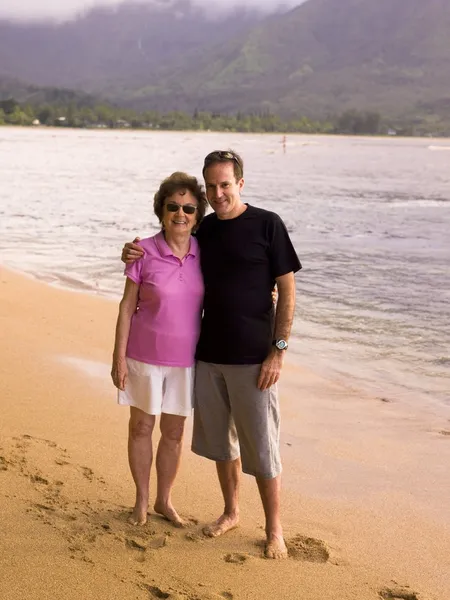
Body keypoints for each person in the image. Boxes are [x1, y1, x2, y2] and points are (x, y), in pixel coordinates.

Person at [122, 150, 301, 558]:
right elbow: (170, 246)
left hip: (256, 359)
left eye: (225, 184)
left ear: (241, 183)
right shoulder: (205, 233)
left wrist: (279, 351)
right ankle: (231, 511)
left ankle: (275, 530)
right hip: (207, 357)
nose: (218, 193)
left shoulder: (268, 224)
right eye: (212, 186)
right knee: (224, 445)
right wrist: (130, 251)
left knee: (263, 445)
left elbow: (287, 292)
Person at [111, 171, 207, 528]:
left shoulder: (205, 254)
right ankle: (140, 500)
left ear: (198, 216)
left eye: (189, 208)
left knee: (174, 433)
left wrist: (267, 293)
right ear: (161, 210)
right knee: (140, 428)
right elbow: (125, 306)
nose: (180, 214)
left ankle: (165, 501)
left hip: (185, 361)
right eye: (173, 206)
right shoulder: (143, 251)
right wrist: (117, 357)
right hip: (143, 357)